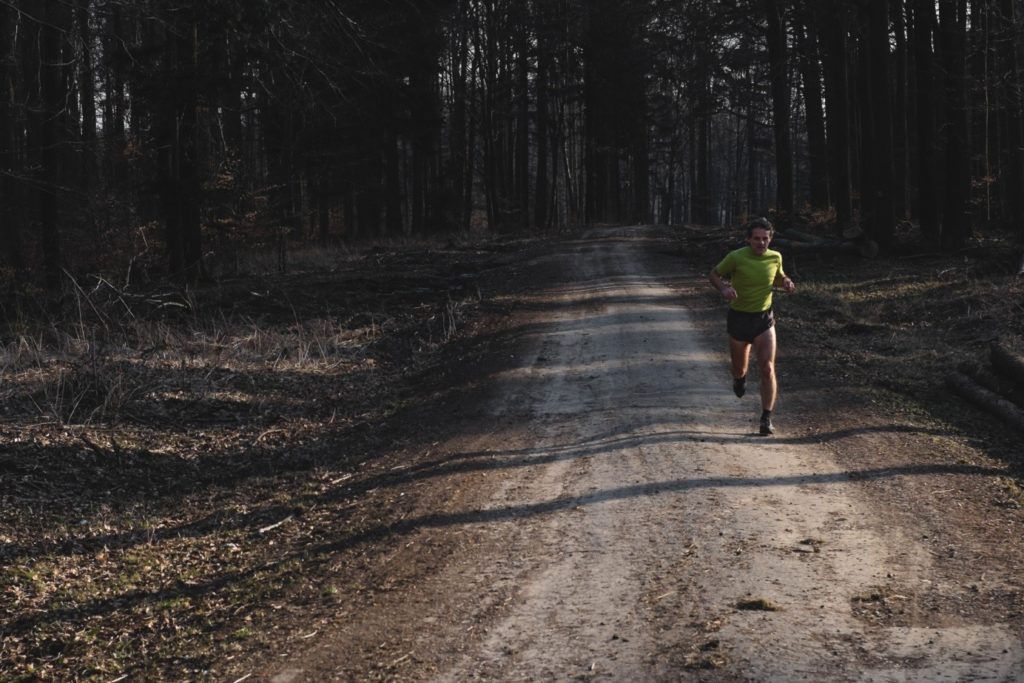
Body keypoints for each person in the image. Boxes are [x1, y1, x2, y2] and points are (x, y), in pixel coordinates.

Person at [708, 217, 795, 435]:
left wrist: (785, 282)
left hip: (763, 319)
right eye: (756, 239)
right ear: (748, 239)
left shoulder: (776, 257)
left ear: (770, 239)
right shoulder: (736, 257)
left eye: (765, 239)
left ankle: (766, 418)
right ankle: (740, 379)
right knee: (739, 369)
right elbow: (714, 274)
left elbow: (777, 276)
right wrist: (724, 289)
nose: (761, 243)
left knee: (767, 367)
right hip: (739, 317)